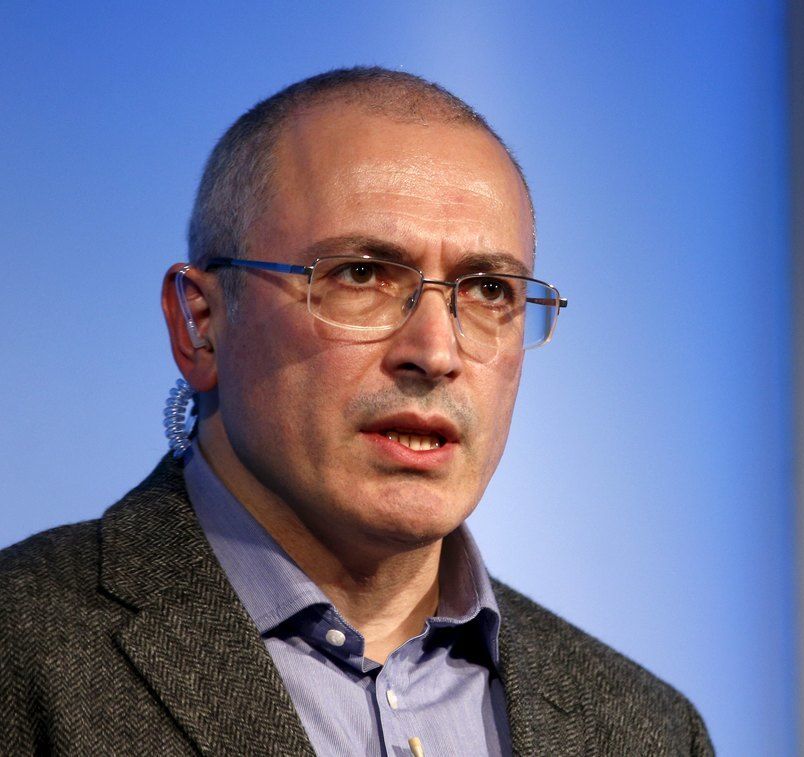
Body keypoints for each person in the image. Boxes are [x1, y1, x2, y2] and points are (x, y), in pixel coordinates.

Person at [0, 67, 712, 756]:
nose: (435, 351)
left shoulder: (646, 729)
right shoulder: (22, 650)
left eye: (490, 289)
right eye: (361, 275)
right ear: (201, 324)